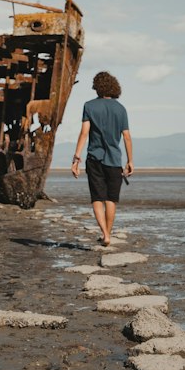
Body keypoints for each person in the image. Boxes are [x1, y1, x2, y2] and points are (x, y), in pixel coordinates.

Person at [71, 70, 134, 247]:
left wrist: (76, 158)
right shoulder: (121, 109)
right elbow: (127, 137)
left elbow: (84, 133)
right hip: (114, 160)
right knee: (111, 199)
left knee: (97, 198)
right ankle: (108, 234)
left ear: (96, 87)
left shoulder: (89, 106)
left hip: (94, 158)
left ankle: (105, 234)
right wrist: (130, 160)